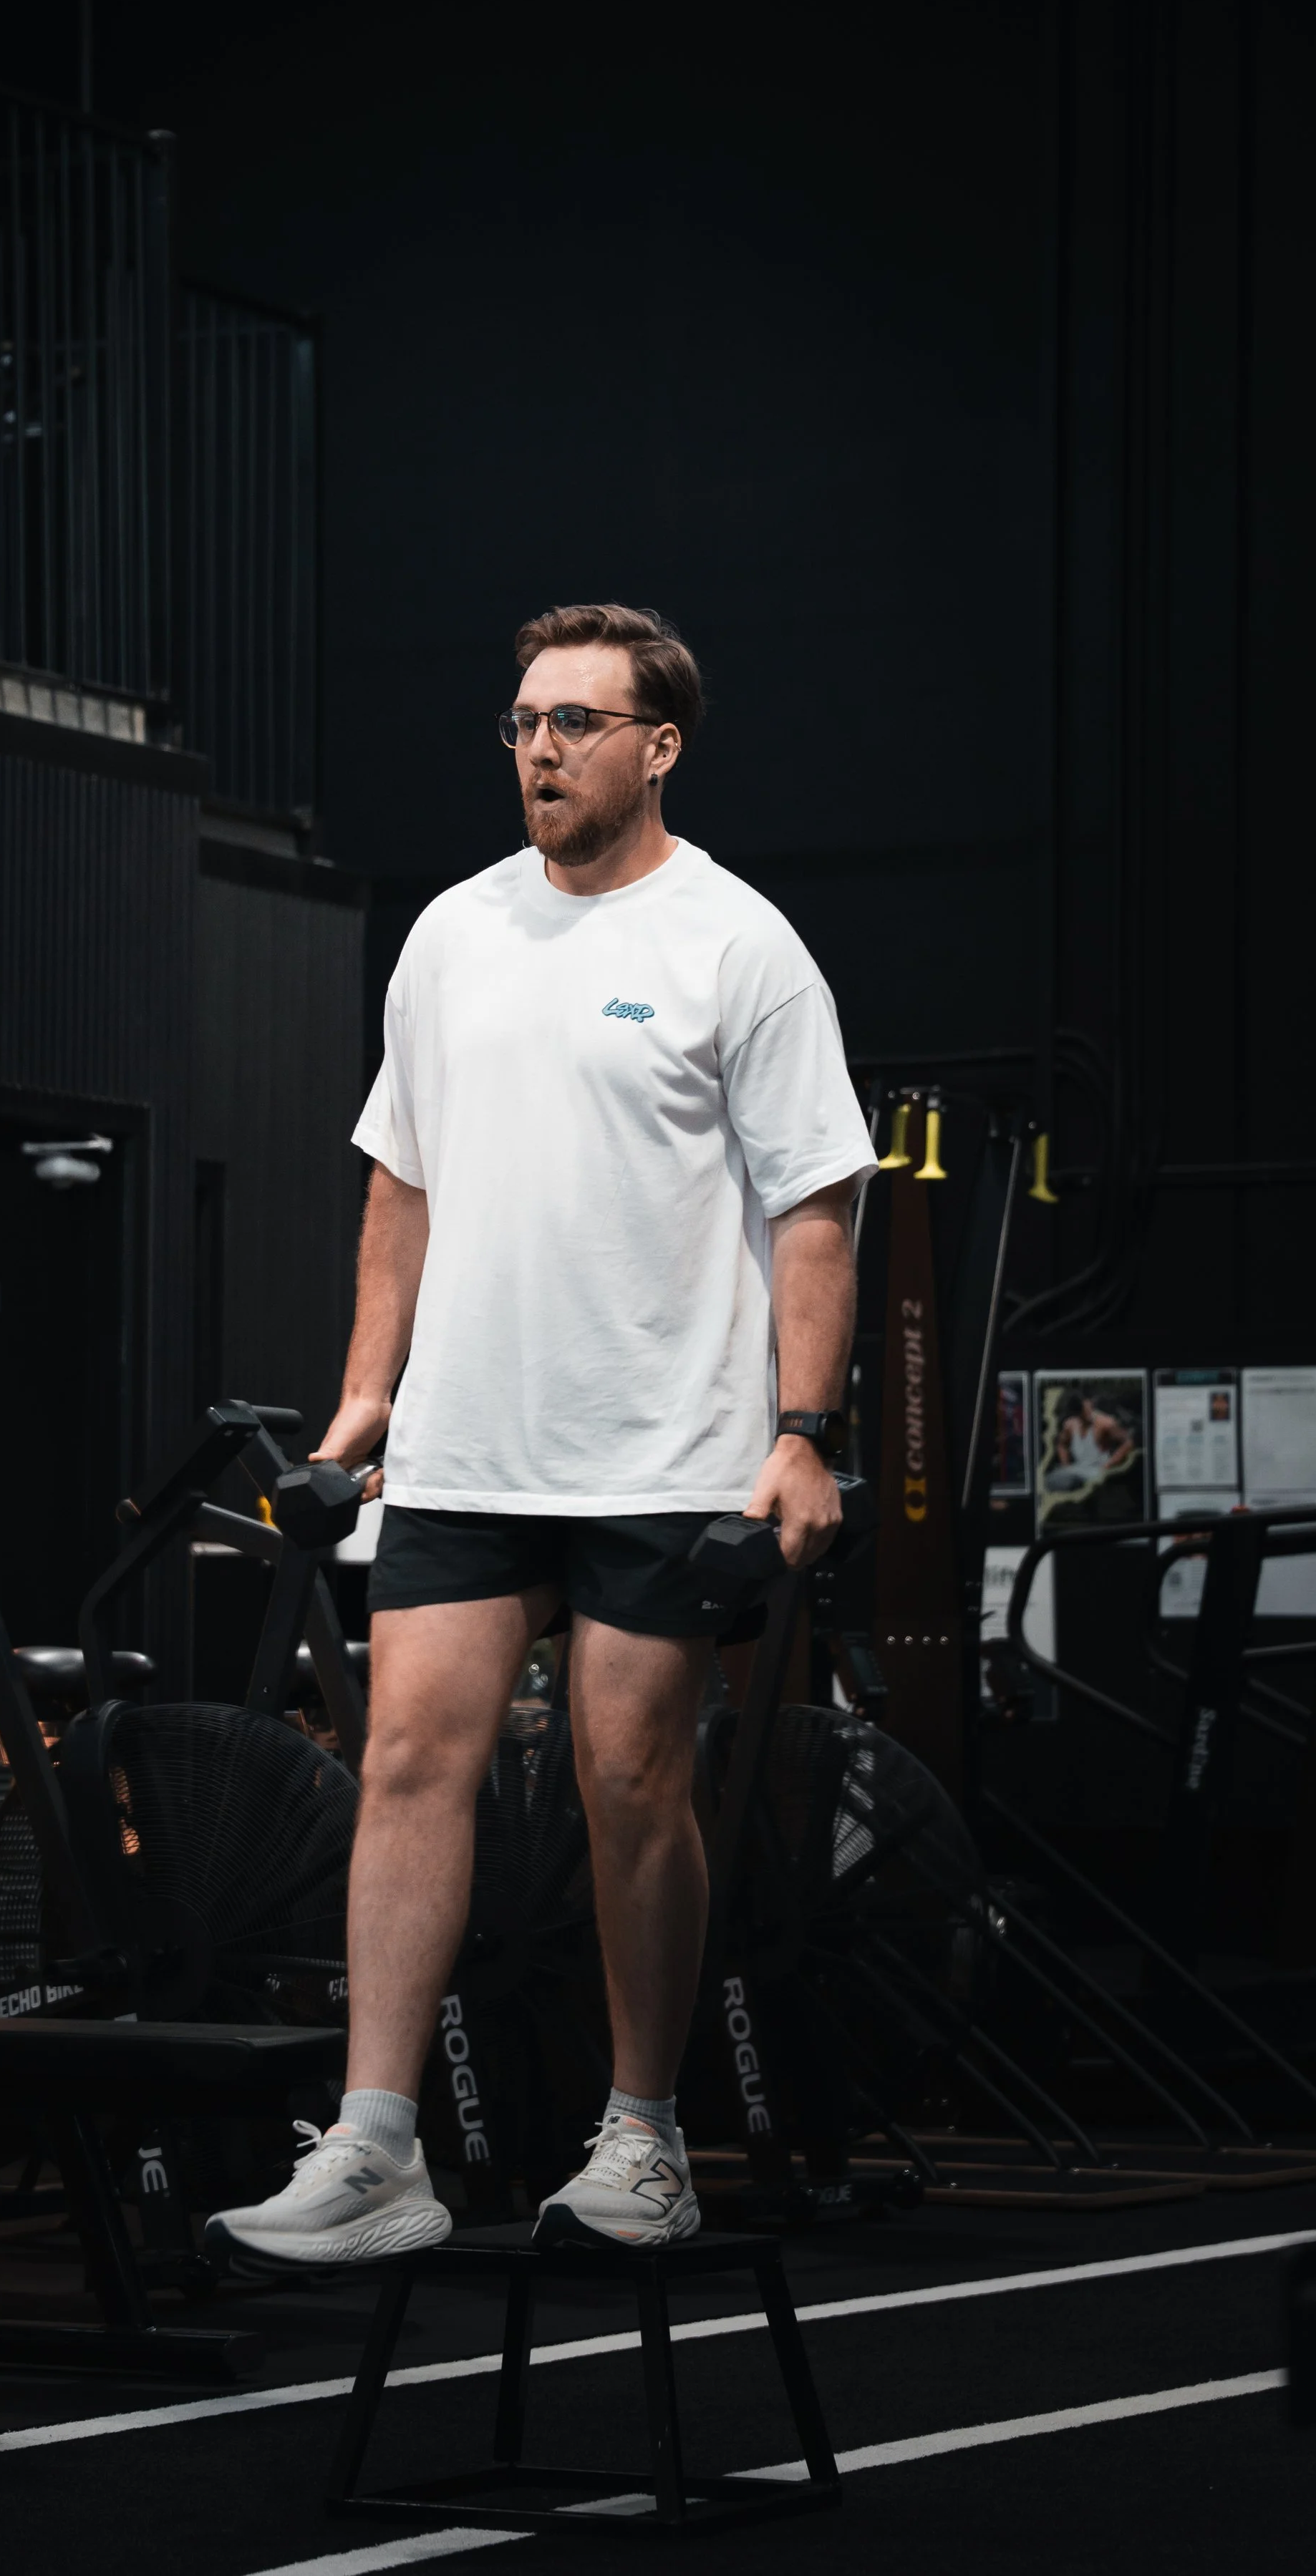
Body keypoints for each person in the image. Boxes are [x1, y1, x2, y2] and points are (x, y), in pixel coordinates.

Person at [207, 602, 875, 2267]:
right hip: (467, 1440)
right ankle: (376, 2147)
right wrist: (366, 1397)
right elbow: (401, 1183)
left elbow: (815, 1208)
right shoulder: (453, 934)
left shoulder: (736, 943)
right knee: (406, 1759)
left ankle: (642, 2138)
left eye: (576, 721)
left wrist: (801, 1430)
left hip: (662, 1445)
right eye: (521, 722)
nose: (540, 749)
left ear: (659, 745)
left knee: (627, 1780)